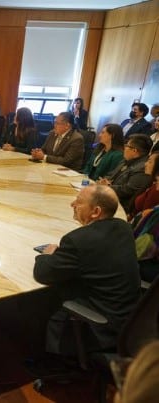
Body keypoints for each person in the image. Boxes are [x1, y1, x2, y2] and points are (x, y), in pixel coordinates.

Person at [33, 185, 140, 356]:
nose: (72, 204)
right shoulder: (124, 228)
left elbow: (42, 273)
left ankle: (55, 360)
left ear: (96, 212)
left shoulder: (77, 241)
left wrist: (47, 254)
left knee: (43, 297)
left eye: (79, 202)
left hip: (101, 326)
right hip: (130, 318)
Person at [97, 134, 152, 215]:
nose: (124, 148)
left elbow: (128, 190)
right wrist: (104, 180)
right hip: (109, 195)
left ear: (134, 151)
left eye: (127, 146)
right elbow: (111, 174)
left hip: (120, 205)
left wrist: (108, 187)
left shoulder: (142, 168)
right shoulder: (126, 160)